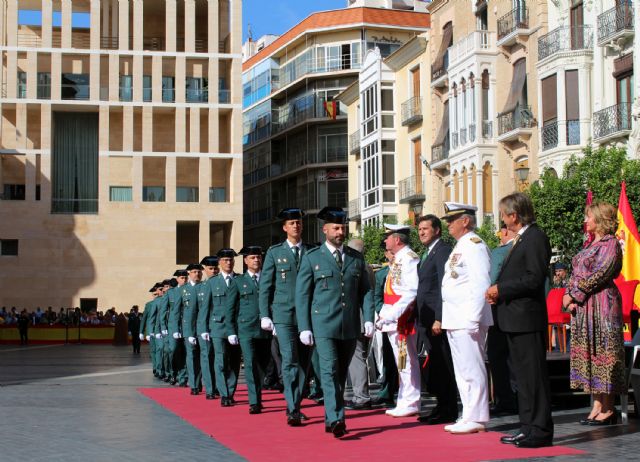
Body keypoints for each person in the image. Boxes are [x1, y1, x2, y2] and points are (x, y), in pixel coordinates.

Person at [296, 207, 374, 438]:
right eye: (336, 228)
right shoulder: (312, 258)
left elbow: (366, 291)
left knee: (340, 375)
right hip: (323, 325)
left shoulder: (355, 257)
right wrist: (304, 327)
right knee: (329, 371)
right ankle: (338, 419)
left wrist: (368, 318)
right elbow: (303, 295)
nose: (341, 232)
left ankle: (331, 418)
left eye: (343, 228)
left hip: (349, 325)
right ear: (325, 230)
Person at [486, 192, 553, 448]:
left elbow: (534, 278)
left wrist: (501, 289)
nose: (502, 221)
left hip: (527, 318)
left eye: (504, 216)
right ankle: (527, 427)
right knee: (523, 379)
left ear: (514, 215)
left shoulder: (535, 238)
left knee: (533, 377)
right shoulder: (522, 238)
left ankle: (540, 430)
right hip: (513, 318)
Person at [564, 202, 625, 426]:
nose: (585, 221)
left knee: (604, 351)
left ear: (600, 219)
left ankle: (608, 407)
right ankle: (597, 404)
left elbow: (601, 273)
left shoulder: (610, 244)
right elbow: (576, 272)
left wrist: (574, 294)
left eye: (588, 217)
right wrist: (568, 294)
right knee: (591, 352)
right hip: (585, 306)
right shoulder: (590, 244)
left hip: (603, 305)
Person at [441, 203, 493, 434]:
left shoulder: (475, 245)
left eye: (452, 220)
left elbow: (480, 282)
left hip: (467, 316)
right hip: (455, 316)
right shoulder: (460, 246)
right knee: (462, 370)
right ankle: (469, 413)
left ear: (465, 221)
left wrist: (474, 317)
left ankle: (478, 416)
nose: (448, 224)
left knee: (473, 367)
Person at [259, 208, 314, 426]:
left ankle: (297, 403)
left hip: (308, 317)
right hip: (284, 315)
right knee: (289, 361)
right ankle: (292, 407)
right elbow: (265, 286)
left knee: (304, 364)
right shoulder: (275, 252)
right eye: (291, 223)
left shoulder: (312, 251)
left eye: (298, 222)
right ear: (284, 227)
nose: (296, 226)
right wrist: (265, 314)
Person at [415, 214, 458, 425]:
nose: (421, 232)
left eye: (426, 229)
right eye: (419, 229)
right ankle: (441, 406)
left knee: (443, 364)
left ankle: (448, 408)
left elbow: (444, 286)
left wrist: (440, 317)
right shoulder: (427, 253)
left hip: (436, 319)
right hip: (426, 318)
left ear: (437, 230)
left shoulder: (442, 251)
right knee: (436, 365)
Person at [376, 224, 421, 418]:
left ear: (397, 239)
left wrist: (392, 315)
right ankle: (404, 399)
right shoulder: (400, 259)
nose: (385, 241)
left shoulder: (409, 259)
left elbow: (410, 291)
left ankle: (411, 401)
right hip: (393, 316)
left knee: (406, 361)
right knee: (400, 361)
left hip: (401, 318)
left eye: (388, 237)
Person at [227, 246, 273, 414]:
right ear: (245, 261)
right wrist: (231, 330)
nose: (256, 260)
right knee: (251, 363)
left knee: (263, 364)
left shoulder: (268, 280)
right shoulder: (238, 282)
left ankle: (258, 395)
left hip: (265, 330)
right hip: (245, 329)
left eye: (258, 257)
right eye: (252, 258)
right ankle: (254, 401)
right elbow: (230, 308)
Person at [199, 248, 241, 406]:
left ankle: (231, 391)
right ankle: (224, 394)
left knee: (235, 361)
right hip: (218, 327)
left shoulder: (239, 280)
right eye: (225, 260)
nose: (228, 263)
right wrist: (203, 329)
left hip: (236, 327)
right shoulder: (212, 282)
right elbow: (205, 308)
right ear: (219, 263)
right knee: (221, 360)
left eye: (230, 260)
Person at [486, 224, 518, 416]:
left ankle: (505, 399)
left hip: (499, 309)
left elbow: (491, 280)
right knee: (518, 357)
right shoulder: (531, 246)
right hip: (523, 311)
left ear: (505, 231)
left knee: (498, 355)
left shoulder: (500, 252)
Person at [344, 238, 375, 410]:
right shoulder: (368, 267)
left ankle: (361, 396)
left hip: (357, 318)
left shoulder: (358, 266)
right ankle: (361, 395)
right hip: (364, 318)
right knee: (359, 356)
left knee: (356, 358)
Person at [370, 245, 398, 408]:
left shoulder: (409, 267)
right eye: (391, 252)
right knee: (387, 357)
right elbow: (377, 297)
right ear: (386, 254)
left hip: (405, 321)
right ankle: (387, 392)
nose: (393, 255)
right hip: (388, 321)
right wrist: (383, 313)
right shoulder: (381, 274)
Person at [196, 256, 220, 398]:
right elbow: (197, 310)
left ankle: (219, 386)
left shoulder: (224, 283)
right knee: (207, 357)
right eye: (211, 268)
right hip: (205, 326)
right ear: (204, 269)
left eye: (216, 268)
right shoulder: (202, 287)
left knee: (220, 358)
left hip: (220, 326)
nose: (214, 271)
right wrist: (202, 329)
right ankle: (210, 388)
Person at [181, 263, 204, 396]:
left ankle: (202, 381)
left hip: (203, 328)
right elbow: (177, 311)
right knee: (192, 357)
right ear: (189, 273)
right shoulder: (183, 290)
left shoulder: (205, 287)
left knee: (204, 356)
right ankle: (194, 384)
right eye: (194, 272)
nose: (197, 274)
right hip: (188, 329)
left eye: (199, 272)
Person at [168, 270, 188, 386]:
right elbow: (165, 311)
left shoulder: (191, 290)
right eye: (181, 278)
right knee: (173, 351)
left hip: (187, 326)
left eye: (185, 277)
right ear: (177, 279)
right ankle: (172, 372)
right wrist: (165, 328)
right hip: (173, 327)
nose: (184, 280)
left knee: (185, 352)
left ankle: (183, 378)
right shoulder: (171, 293)